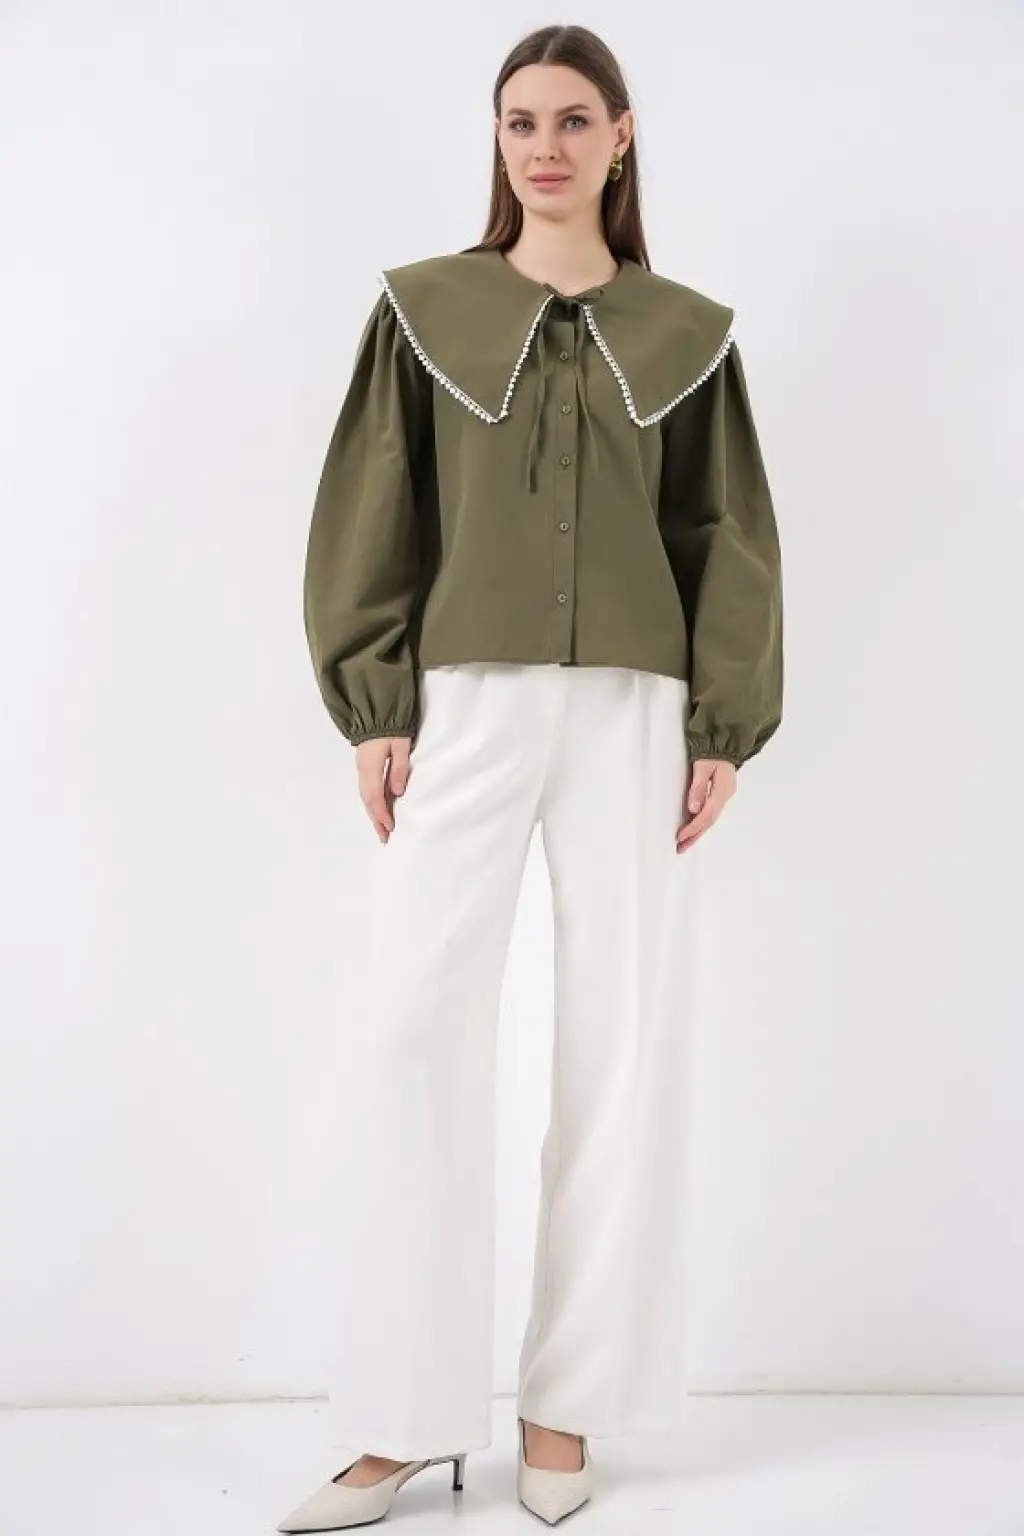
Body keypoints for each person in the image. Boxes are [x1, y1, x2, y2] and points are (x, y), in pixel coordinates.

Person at [278, 21, 784, 1533]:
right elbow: (378, 500)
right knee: (413, 1030)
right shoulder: (424, 311)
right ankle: (403, 1417)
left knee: (622, 1047)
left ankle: (567, 1405)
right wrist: (375, 700)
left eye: (573, 119)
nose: (545, 146)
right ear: (496, 140)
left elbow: (725, 532)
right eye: (520, 120)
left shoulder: (687, 332)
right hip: (466, 703)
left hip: (638, 707)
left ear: (621, 136)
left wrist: (720, 725)